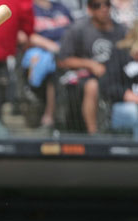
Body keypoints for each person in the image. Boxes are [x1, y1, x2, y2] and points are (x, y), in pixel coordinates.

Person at [57, 0, 126, 134]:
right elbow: (62, 60)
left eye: (107, 4)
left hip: (115, 80)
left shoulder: (120, 30)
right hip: (82, 81)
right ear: (89, 9)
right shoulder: (78, 29)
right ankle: (93, 134)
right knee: (92, 85)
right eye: (97, 5)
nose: (103, 8)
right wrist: (89, 64)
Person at [21, 0, 74, 128]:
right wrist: (50, 46)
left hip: (64, 52)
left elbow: (74, 30)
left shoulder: (61, 7)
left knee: (55, 64)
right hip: (39, 50)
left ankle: (52, 115)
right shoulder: (29, 7)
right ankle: (46, 114)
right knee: (47, 63)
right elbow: (24, 35)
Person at [102, 21, 138, 140]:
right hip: (124, 105)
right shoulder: (120, 53)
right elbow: (108, 86)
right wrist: (129, 96)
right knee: (132, 112)